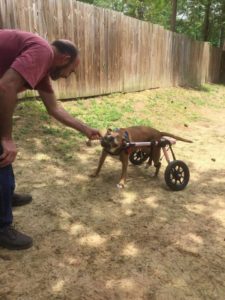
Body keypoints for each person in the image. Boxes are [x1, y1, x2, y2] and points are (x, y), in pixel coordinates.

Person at [0, 29, 102, 250]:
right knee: (3, 154)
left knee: (3, 157)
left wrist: (85, 129)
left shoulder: (42, 67)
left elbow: (54, 108)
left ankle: (6, 196)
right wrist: (6, 136)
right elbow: (6, 86)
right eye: (71, 71)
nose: (67, 76)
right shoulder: (43, 51)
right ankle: (2, 227)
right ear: (65, 58)